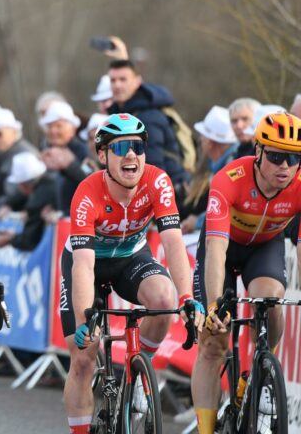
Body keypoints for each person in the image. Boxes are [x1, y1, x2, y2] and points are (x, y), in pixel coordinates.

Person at [60, 113, 203, 434]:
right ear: (102, 156)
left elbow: (174, 243)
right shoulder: (87, 192)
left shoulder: (158, 181)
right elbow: (82, 265)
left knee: (164, 300)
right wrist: (84, 322)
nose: (131, 155)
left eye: (137, 147)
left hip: (130, 258)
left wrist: (186, 298)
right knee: (83, 357)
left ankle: (138, 375)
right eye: (121, 147)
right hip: (88, 264)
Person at [191, 111, 301, 433]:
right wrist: (214, 306)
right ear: (258, 151)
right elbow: (215, 250)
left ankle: (261, 368)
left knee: (270, 300)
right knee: (214, 342)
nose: (285, 167)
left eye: (294, 158)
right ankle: (206, 428)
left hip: (263, 248)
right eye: (277, 156)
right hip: (223, 250)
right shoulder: (229, 180)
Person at [107, 59, 190, 189]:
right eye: (113, 80)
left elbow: (153, 170)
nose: (117, 85)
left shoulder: (146, 118)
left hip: (166, 196)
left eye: (123, 79)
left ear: (137, 81)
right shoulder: (124, 114)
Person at [180, 106, 237, 234]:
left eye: (203, 135)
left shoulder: (231, 169)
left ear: (210, 142)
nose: (200, 139)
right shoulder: (217, 165)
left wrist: (198, 222)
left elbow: (231, 208)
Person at [0, 152, 59, 251]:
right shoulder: (51, 183)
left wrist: (10, 239)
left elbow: (29, 240)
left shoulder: (36, 202)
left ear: (22, 184)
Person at [40, 101, 90, 213]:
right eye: (49, 126)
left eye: (59, 126)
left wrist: (71, 165)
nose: (53, 131)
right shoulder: (48, 153)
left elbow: (92, 181)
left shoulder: (83, 151)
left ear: (73, 129)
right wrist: (51, 206)